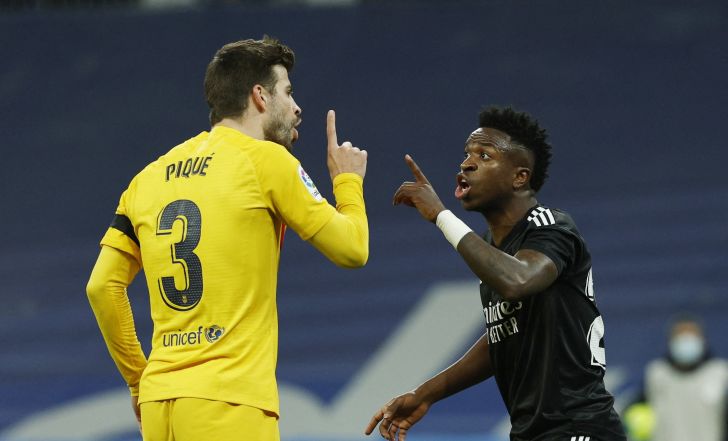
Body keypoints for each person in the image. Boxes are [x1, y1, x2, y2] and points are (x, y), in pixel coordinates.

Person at [86, 37, 369, 441]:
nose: (296, 107)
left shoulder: (147, 179)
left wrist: (138, 380)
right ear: (259, 96)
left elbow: (102, 286)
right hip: (231, 402)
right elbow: (353, 249)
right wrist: (347, 180)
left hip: (160, 405)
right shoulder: (267, 161)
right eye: (287, 92)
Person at [365, 107, 626, 441]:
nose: (466, 164)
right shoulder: (494, 248)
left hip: (578, 427)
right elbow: (501, 336)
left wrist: (441, 216)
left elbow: (518, 281)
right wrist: (425, 393)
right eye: (467, 154)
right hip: (533, 433)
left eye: (484, 155)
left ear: (520, 177)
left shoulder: (550, 225)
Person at [625, 315, 728, 441]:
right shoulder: (656, 374)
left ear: (703, 339)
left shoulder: (721, 372)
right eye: (680, 335)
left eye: (691, 335)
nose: (686, 340)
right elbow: (633, 410)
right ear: (670, 341)